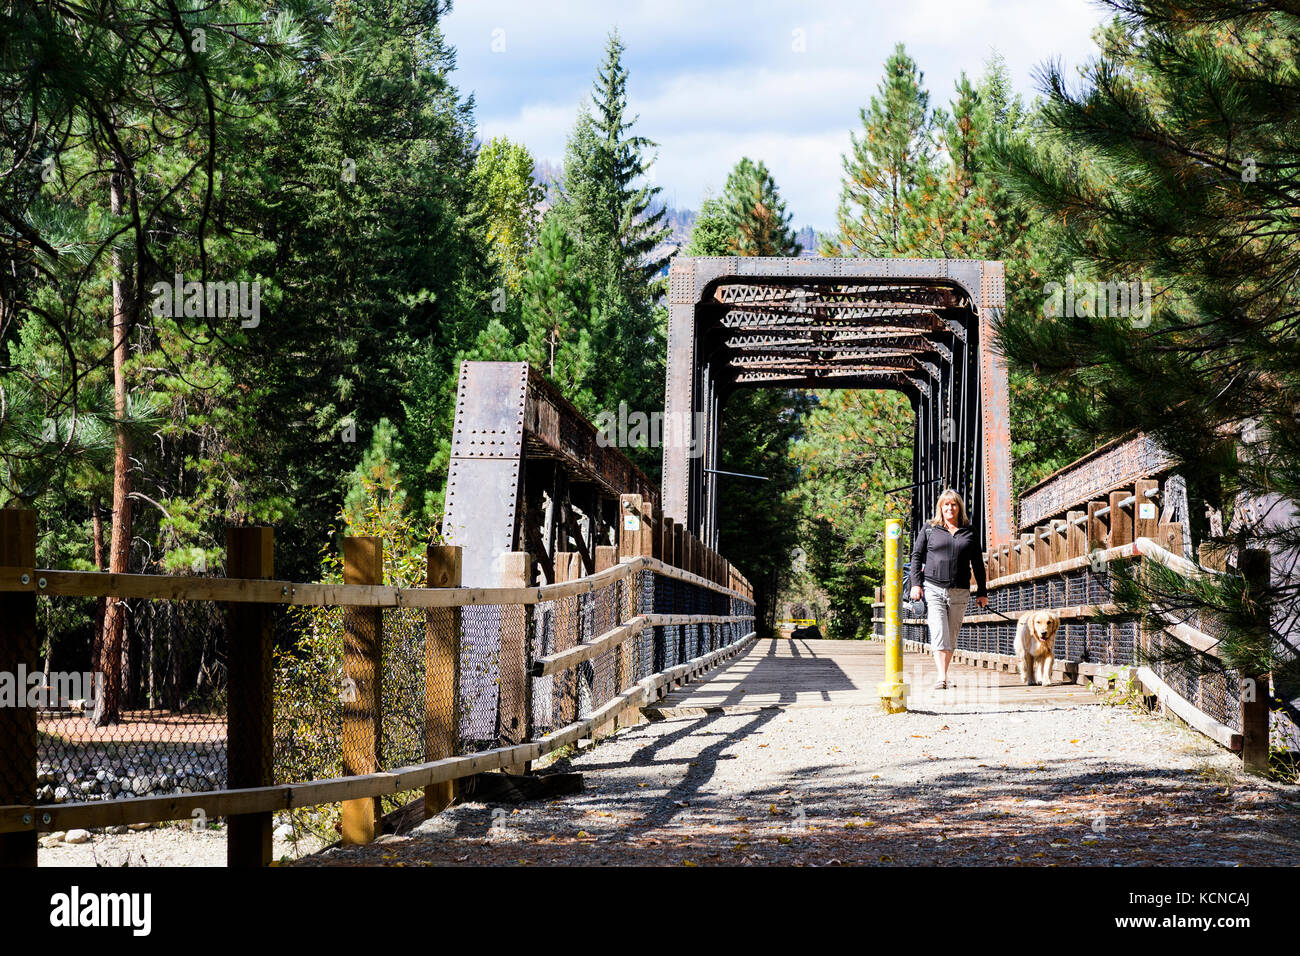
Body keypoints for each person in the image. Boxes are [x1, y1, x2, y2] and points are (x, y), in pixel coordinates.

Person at [908, 488, 988, 689]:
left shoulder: (969, 531)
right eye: (946, 504)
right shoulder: (930, 528)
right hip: (933, 588)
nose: (949, 508)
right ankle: (941, 677)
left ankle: (944, 674)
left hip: (960, 590)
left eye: (953, 504)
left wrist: (982, 592)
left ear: (959, 507)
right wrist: (916, 584)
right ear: (940, 508)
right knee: (939, 632)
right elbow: (916, 557)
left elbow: (977, 563)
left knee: (951, 635)